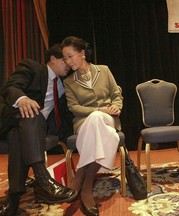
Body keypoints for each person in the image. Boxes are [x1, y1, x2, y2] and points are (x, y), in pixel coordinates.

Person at [0, 44, 78, 215]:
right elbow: (10, 87)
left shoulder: (64, 85)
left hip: (32, 130)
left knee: (18, 135)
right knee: (31, 114)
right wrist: (22, 99)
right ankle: (43, 179)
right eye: (64, 59)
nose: (68, 64)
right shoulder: (32, 67)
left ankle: (14, 197)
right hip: (13, 117)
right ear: (53, 59)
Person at [61, 36, 123, 216]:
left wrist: (116, 107)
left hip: (109, 119)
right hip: (84, 122)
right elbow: (74, 108)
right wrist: (99, 109)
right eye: (65, 58)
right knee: (98, 121)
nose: (67, 61)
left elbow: (116, 94)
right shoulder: (69, 82)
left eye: (70, 56)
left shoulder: (104, 70)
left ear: (82, 54)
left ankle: (81, 175)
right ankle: (88, 184)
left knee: (99, 119)